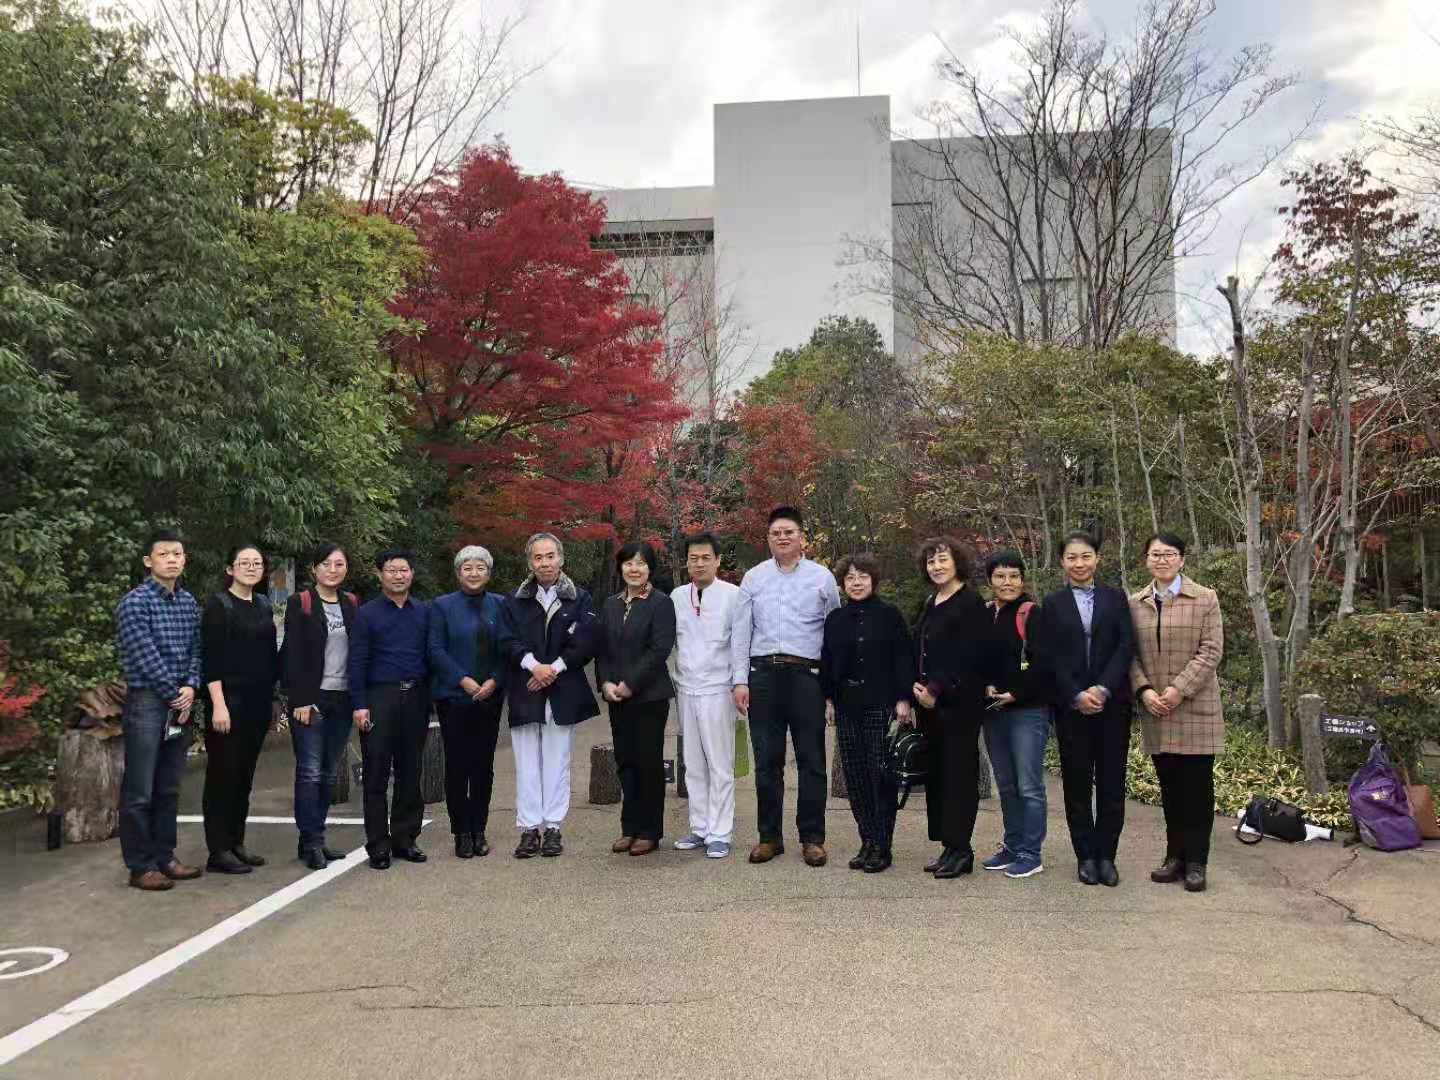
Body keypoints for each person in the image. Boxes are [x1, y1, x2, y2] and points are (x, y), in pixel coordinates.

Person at [731, 505, 841, 867]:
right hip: (763, 676)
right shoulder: (754, 578)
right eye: (776, 533)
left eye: (789, 532)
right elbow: (741, 632)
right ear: (768, 539)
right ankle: (769, 837)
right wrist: (739, 680)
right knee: (767, 761)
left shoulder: (822, 578)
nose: (782, 537)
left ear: (801, 537)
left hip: (806, 676)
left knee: (812, 761)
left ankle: (812, 838)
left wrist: (830, 689)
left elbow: (833, 634)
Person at [1129, 532, 1224, 894]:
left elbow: (1211, 651)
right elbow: (1128, 654)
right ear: (1146, 560)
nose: (1162, 560)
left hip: (1195, 707)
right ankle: (1175, 857)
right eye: (1155, 554)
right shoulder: (1135, 603)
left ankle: (1197, 862)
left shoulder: (1205, 598)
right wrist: (1144, 690)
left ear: (1182, 559)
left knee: (1197, 789)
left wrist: (1177, 690)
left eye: (1169, 554)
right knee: (1169, 788)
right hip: (1156, 708)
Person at [1043, 530, 1136, 887]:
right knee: (1077, 785)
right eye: (1071, 557)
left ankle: (1106, 856)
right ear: (1062, 562)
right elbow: (1049, 655)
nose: (1079, 563)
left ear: (1097, 558)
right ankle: (1085, 856)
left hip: (1112, 706)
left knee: (1112, 784)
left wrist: (1102, 688)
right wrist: (1076, 694)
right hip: (1072, 709)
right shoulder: (1052, 604)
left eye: (1085, 556)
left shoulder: (1116, 598)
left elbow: (1125, 647)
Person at [115, 529, 205, 891]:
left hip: (180, 701)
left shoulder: (188, 602)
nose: (171, 559)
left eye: (177, 554)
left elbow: (197, 648)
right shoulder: (134, 603)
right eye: (164, 554)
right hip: (148, 703)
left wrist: (191, 686)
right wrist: (175, 694)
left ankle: (165, 856)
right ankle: (141, 866)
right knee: (140, 789)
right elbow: (144, 654)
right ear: (148, 561)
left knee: (168, 787)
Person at [500, 532, 599, 859]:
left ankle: (553, 826)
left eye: (550, 556)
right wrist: (533, 666)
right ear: (530, 562)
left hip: (562, 688)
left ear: (561, 558)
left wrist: (551, 670)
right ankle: (529, 828)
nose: (545, 563)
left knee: (557, 761)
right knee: (526, 762)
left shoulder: (579, 598)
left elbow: (584, 643)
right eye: (538, 557)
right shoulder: (514, 600)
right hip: (525, 687)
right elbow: (507, 640)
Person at [820, 553, 914, 874]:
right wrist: (828, 699)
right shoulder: (835, 619)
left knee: (881, 776)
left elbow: (904, 658)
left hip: (881, 704)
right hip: (847, 706)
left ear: (873, 580)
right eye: (850, 578)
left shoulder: (889, 615)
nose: (856, 583)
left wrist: (904, 699)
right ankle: (867, 840)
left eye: (862, 577)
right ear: (842, 583)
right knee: (856, 776)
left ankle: (883, 845)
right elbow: (827, 661)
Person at [912, 536, 993, 880]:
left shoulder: (970, 603)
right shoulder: (930, 602)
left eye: (943, 559)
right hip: (929, 706)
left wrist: (935, 689)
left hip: (959, 703)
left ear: (957, 562)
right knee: (939, 776)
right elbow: (920, 647)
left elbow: (969, 656)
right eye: (931, 561)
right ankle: (948, 845)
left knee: (960, 776)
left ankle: (962, 850)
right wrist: (916, 686)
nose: (937, 566)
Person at [349, 547, 430, 870]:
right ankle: (378, 845)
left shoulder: (423, 611)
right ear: (380, 575)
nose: (398, 575)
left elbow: (431, 655)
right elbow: (357, 661)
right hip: (379, 698)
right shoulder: (367, 614)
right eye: (392, 570)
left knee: (411, 771)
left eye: (404, 570)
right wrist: (359, 704)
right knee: (376, 774)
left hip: (416, 697)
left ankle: (405, 839)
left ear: (412, 574)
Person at [200, 543, 279, 875]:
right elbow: (211, 659)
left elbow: (270, 657)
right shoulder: (219, 605)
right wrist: (218, 704)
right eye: (243, 562)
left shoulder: (263, 604)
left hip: (257, 702)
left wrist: (274, 701)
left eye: (256, 562)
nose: (251, 567)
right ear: (230, 569)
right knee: (223, 775)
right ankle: (218, 850)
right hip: (227, 702)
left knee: (244, 776)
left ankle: (236, 842)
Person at [428, 545, 509, 860]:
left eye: (480, 567)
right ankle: (461, 831)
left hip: (490, 697)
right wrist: (463, 679)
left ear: (488, 572)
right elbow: (435, 649)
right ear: (458, 572)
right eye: (467, 568)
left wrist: (494, 680)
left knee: (483, 766)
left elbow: (508, 648)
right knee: (458, 766)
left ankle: (479, 829)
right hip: (453, 697)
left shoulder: (501, 605)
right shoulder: (442, 606)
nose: (474, 573)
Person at [282, 541, 358, 870]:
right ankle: (311, 841)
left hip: (342, 698)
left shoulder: (351, 603)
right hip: (311, 700)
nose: (332, 570)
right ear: (314, 569)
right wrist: (300, 699)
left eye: (339, 564)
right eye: (326, 564)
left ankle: (314, 838)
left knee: (328, 774)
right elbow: (292, 653)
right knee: (310, 772)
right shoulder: (300, 602)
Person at [598, 541, 676, 857]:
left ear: (650, 569)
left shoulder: (661, 603)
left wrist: (631, 683)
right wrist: (605, 682)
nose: (634, 568)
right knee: (625, 761)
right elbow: (602, 649)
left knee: (648, 763)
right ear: (621, 567)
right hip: (617, 697)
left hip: (649, 697)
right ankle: (629, 828)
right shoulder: (611, 604)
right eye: (629, 563)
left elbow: (659, 649)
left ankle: (649, 831)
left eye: (641, 563)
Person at [979, 550, 1053, 880]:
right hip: (994, 712)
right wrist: (986, 685)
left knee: (1029, 785)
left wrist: (1016, 693)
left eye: (1013, 576)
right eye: (1000, 576)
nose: (1007, 582)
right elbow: (977, 660)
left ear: (1022, 580)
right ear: (990, 580)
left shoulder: (1032, 614)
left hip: (1027, 711)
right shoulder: (985, 614)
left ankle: (1030, 853)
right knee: (1006, 784)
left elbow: (1045, 663)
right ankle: (1012, 845)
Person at [670, 531, 741, 859]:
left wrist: (740, 683)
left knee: (720, 763)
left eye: (705, 558)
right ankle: (699, 827)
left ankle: (720, 832)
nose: (699, 564)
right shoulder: (677, 597)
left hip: (718, 689)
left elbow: (741, 643)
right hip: (686, 688)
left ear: (718, 560)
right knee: (693, 763)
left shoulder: (733, 595)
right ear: (686, 562)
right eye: (693, 558)